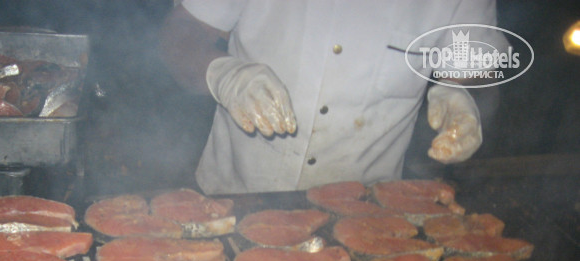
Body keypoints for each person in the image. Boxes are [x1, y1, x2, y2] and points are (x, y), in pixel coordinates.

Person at [159, 0, 504, 194]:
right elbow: (181, 34)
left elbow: (479, 69)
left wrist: (462, 95)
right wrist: (223, 74)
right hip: (233, 200)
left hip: (366, 221)